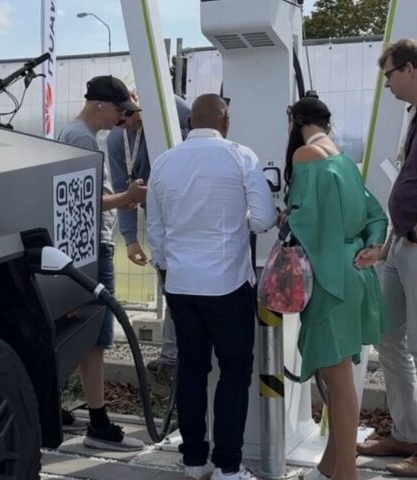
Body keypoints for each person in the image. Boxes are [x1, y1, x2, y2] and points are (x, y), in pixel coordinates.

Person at [147, 94, 277, 480]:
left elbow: (155, 229)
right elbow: (263, 218)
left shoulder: (164, 162)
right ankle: (228, 467)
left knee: (192, 369)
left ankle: (193, 461)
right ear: (226, 122)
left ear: (190, 124)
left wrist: (169, 268)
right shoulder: (241, 156)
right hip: (227, 283)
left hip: (181, 284)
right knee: (234, 374)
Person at [281, 96, 389, 480]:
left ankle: (347, 473)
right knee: (339, 377)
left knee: (337, 381)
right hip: (354, 270)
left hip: (329, 279)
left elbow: (302, 221)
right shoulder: (342, 158)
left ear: (294, 120)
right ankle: (332, 463)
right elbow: (375, 214)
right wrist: (373, 247)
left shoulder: (306, 156)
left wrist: (285, 216)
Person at [356, 38, 417, 477]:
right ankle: (407, 432)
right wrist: (392, 242)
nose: (385, 84)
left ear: (409, 68)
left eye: (388, 74)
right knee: (388, 338)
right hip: (403, 245)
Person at [57, 74, 147, 451]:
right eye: (119, 110)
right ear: (99, 105)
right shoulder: (81, 138)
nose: (121, 119)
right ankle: (98, 424)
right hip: (92, 248)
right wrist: (129, 197)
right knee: (95, 338)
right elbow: (85, 199)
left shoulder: (71, 133)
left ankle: (54, 406)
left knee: (73, 333)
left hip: (78, 247)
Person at [108, 94, 191, 394]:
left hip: (188, 213)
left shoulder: (169, 113)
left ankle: (175, 357)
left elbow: (194, 115)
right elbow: (122, 190)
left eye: (129, 115)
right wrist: (130, 239)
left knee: (183, 289)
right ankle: (171, 359)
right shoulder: (118, 140)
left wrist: (154, 99)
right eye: (121, 120)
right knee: (171, 286)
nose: (127, 124)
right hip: (158, 221)